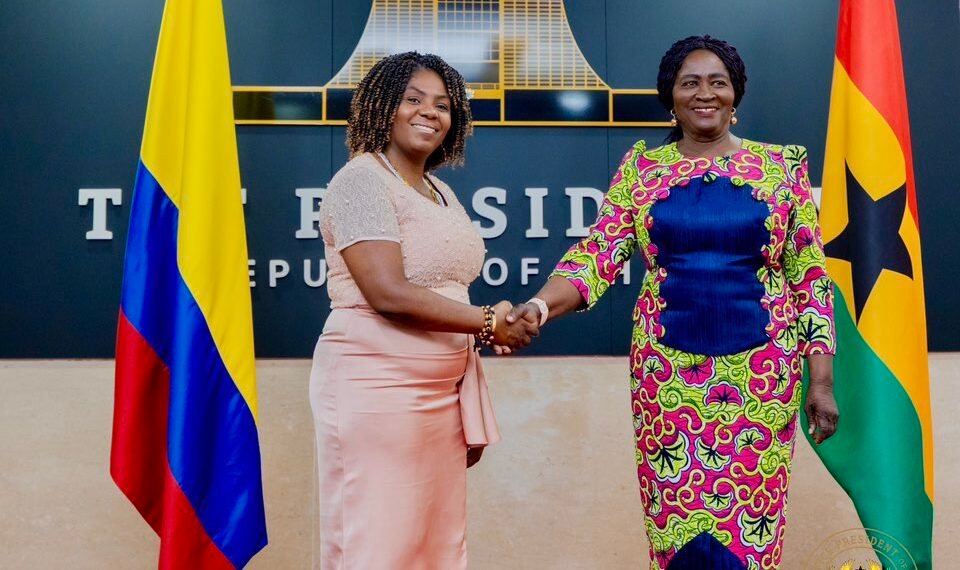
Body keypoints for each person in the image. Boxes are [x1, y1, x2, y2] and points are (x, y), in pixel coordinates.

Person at [506, 36, 839, 569]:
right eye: (690, 83)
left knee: (749, 539)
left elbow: (810, 277)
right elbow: (598, 252)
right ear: (671, 98)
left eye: (718, 83)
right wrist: (540, 306)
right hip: (669, 385)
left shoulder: (781, 169)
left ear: (736, 96)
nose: (704, 94)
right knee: (677, 535)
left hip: (761, 383)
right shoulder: (642, 172)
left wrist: (820, 382)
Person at [309, 52, 538, 570]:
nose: (429, 112)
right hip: (376, 392)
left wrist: (483, 327)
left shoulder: (440, 191)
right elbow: (387, 291)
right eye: (413, 99)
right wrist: (485, 320)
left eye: (442, 105)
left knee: (434, 545)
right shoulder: (361, 181)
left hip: (440, 397)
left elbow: (447, 290)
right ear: (383, 107)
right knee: (379, 544)